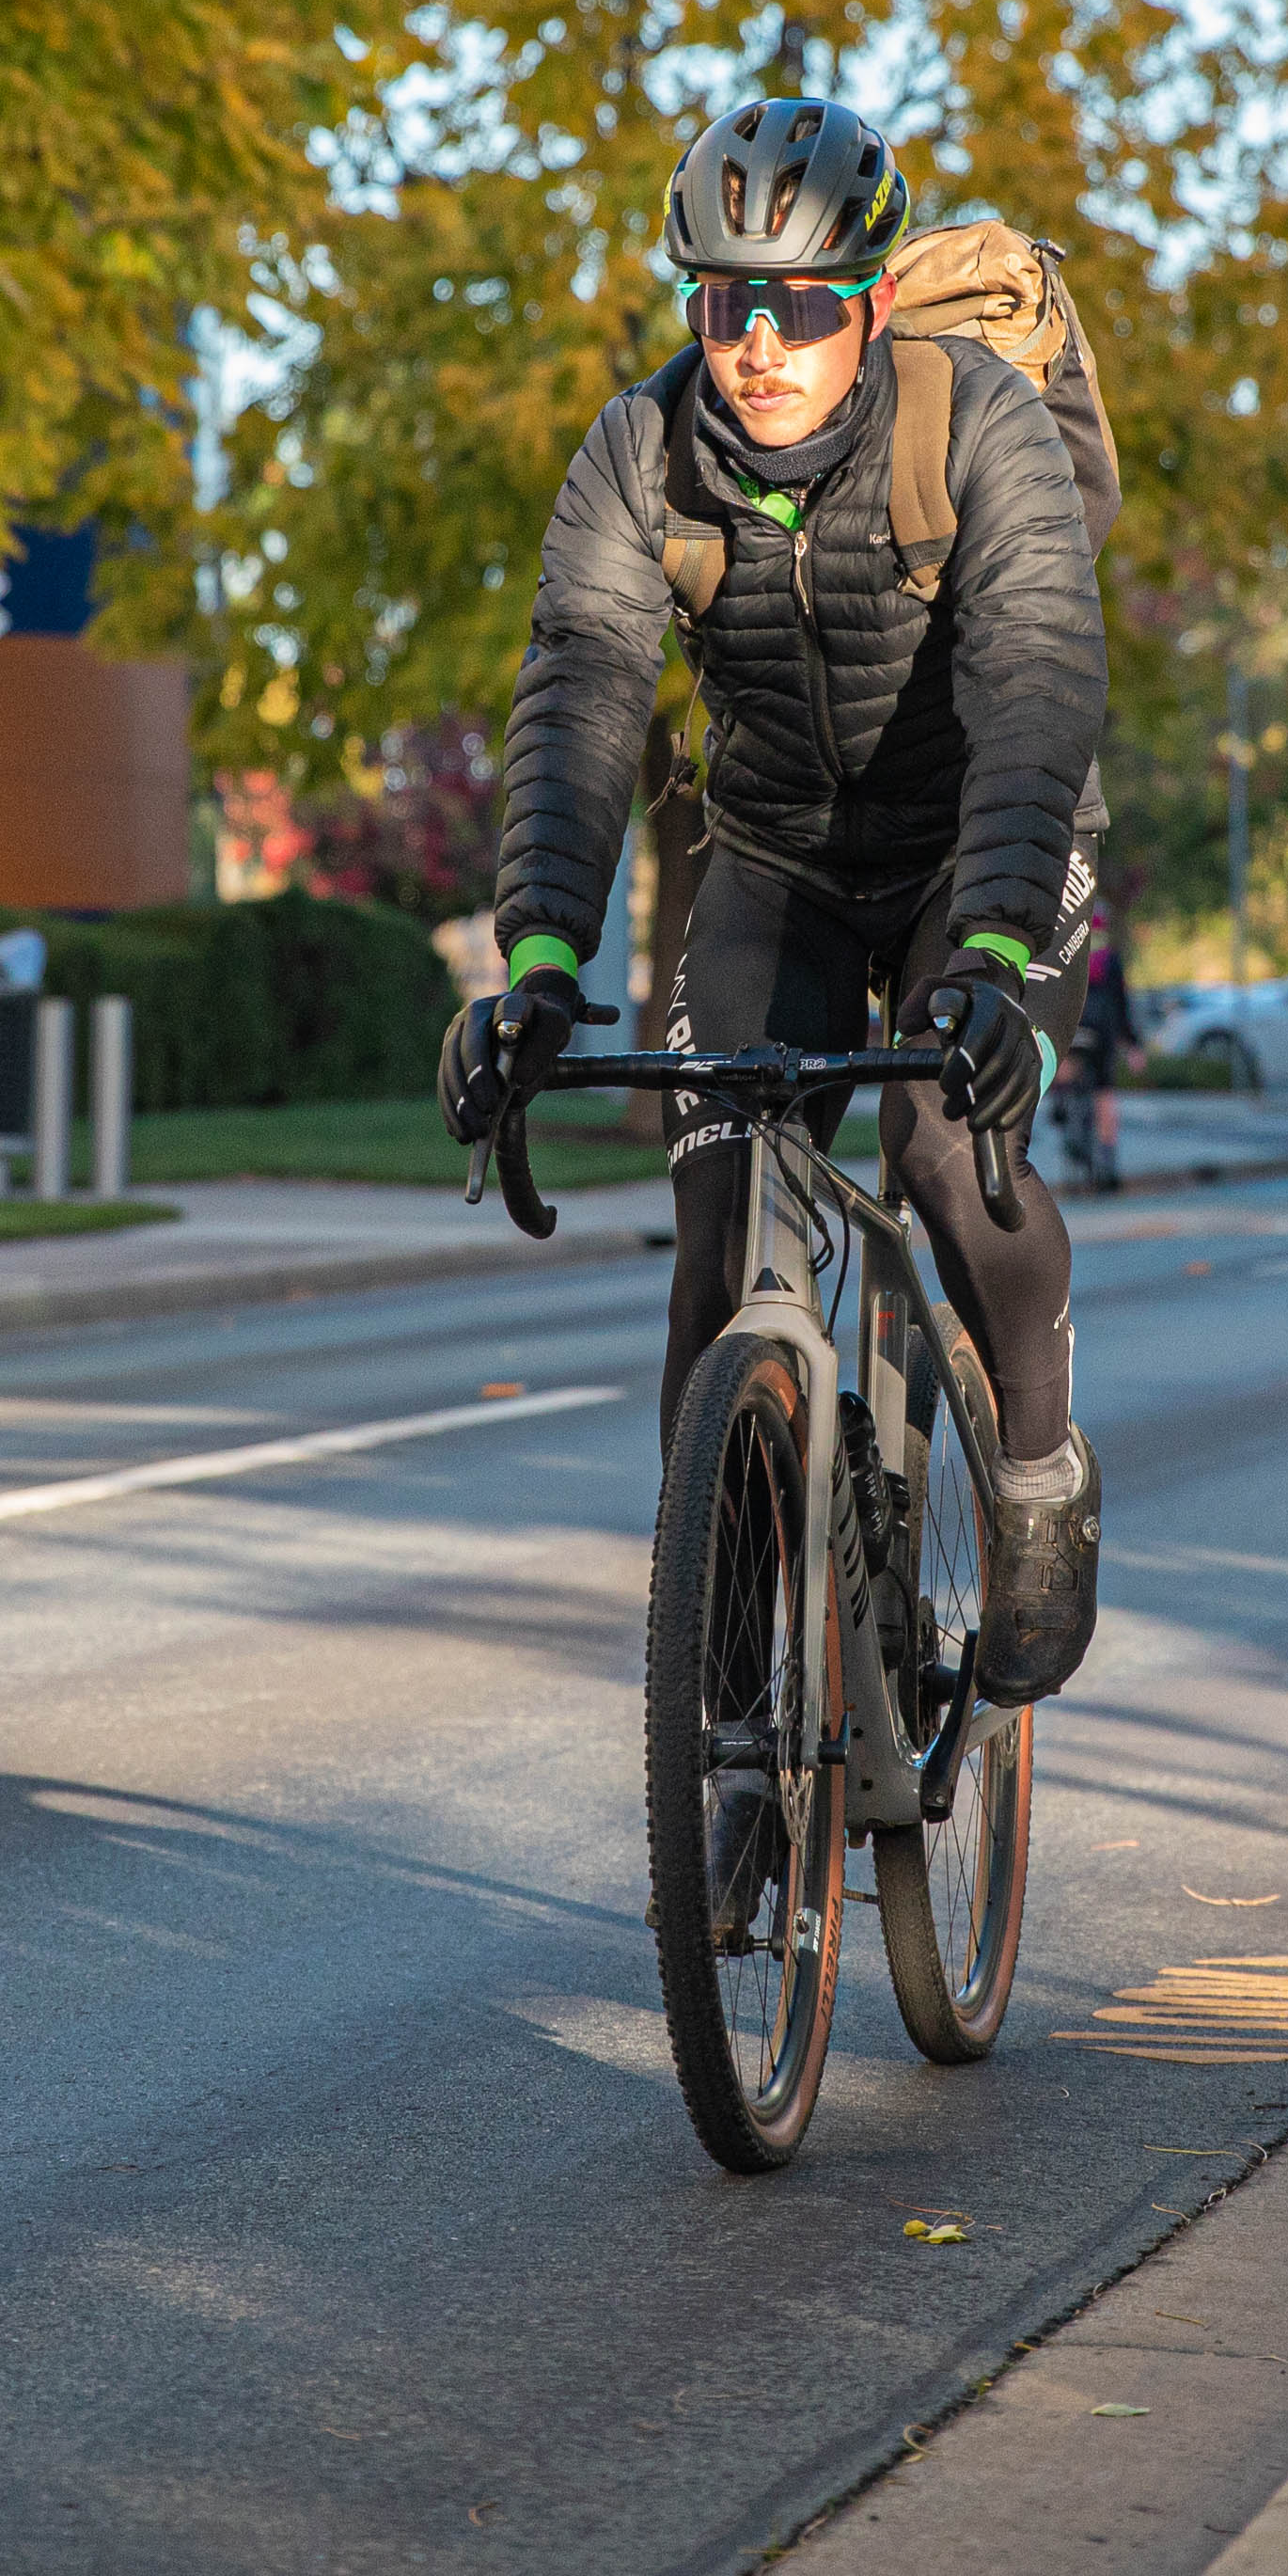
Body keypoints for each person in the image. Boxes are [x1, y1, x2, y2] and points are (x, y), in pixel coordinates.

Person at [441, 94, 1110, 1703]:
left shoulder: (981, 425)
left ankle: (1035, 1468)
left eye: (802, 307)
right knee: (722, 1202)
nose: (760, 341)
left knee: (950, 1150)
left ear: (870, 305)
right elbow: (581, 699)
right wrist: (534, 960)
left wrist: (1002, 963)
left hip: (978, 843)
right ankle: (726, 1688)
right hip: (779, 854)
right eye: (727, 301)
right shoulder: (641, 453)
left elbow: (1035, 686)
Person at [1068, 902, 1139, 1194]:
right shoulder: (1110, 960)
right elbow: (1122, 1006)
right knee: (1105, 1094)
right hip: (1104, 1034)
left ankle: (1068, 1123)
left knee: (1067, 1076)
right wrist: (1133, 1045)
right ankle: (1108, 1162)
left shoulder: (1069, 955)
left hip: (1074, 1030)